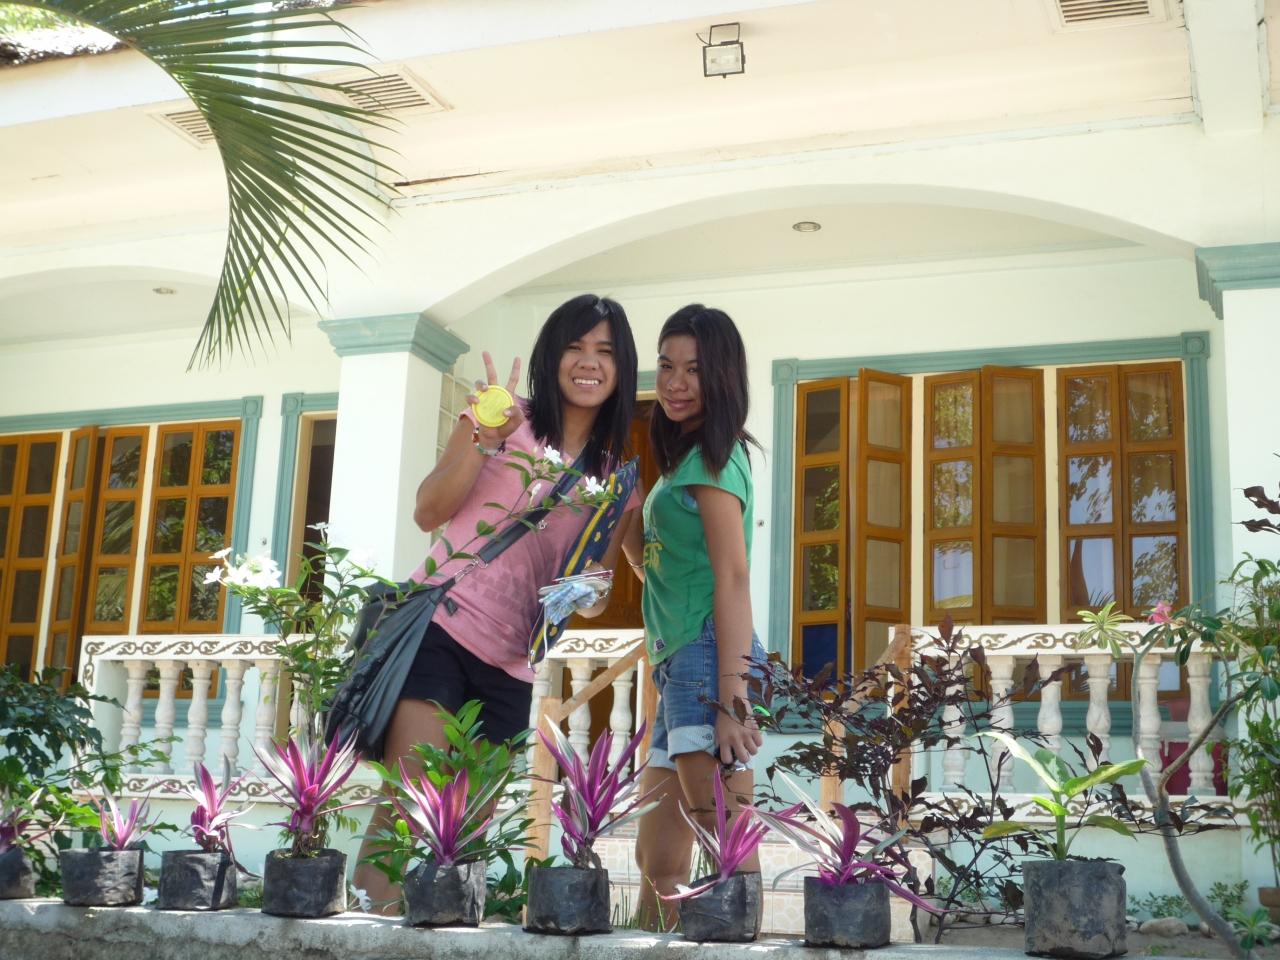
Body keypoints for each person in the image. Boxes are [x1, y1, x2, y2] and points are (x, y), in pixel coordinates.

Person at [353, 293, 639, 913]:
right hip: (441, 629)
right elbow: (427, 511)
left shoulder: (614, 480)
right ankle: (358, 940)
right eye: (574, 346)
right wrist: (484, 438)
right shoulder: (506, 416)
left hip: (513, 663)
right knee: (408, 805)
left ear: (622, 369)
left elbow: (591, 595)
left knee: (466, 827)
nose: (588, 362)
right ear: (551, 355)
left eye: (605, 351)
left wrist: (590, 590)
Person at [623, 303, 765, 930]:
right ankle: (652, 939)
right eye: (667, 366)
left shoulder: (714, 460)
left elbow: (732, 577)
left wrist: (733, 699)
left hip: (708, 657)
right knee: (658, 853)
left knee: (722, 830)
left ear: (723, 376)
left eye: (695, 369)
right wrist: (629, 517)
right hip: (678, 660)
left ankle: (742, 942)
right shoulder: (682, 462)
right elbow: (657, 570)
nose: (676, 382)